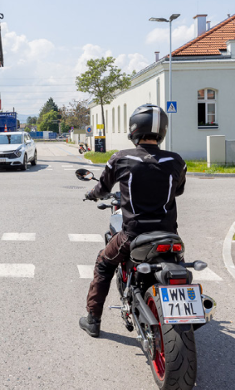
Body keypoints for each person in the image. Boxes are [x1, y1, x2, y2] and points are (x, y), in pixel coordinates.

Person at [79, 104, 187, 337]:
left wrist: (91, 194)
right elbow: (178, 191)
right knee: (180, 266)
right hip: (170, 235)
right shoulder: (176, 160)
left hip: (133, 236)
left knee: (103, 262)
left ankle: (93, 319)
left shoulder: (121, 158)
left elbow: (102, 188)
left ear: (134, 129)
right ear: (163, 130)